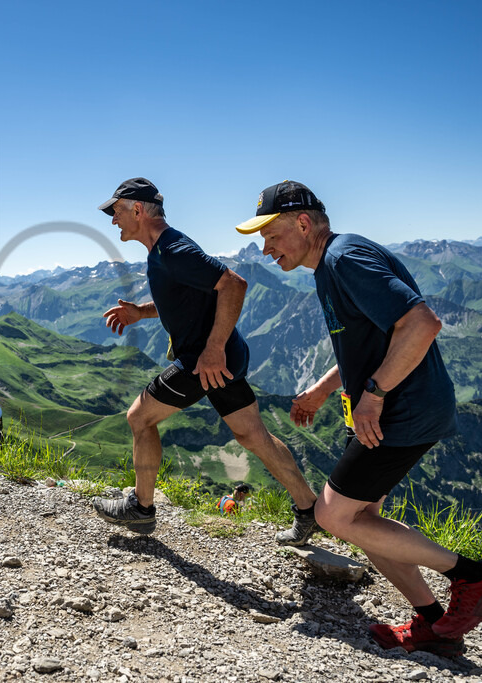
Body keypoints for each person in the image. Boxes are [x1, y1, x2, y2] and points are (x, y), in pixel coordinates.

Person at [235, 179, 482, 657]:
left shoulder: (345, 259)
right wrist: (325, 390)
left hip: (401, 413)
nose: (265, 249)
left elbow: (422, 324)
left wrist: (374, 394)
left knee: (333, 515)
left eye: (272, 235)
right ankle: (437, 625)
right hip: (391, 411)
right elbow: (373, 338)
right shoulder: (330, 265)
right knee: (362, 520)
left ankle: (473, 577)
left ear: (303, 224)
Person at [90, 178, 319, 543]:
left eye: (116, 211)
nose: (113, 220)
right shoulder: (163, 250)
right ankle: (309, 509)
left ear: (137, 209)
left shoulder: (173, 249)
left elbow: (233, 283)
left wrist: (212, 350)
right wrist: (140, 313)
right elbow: (189, 301)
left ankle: (141, 508)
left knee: (139, 417)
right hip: (222, 357)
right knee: (253, 435)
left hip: (205, 362)